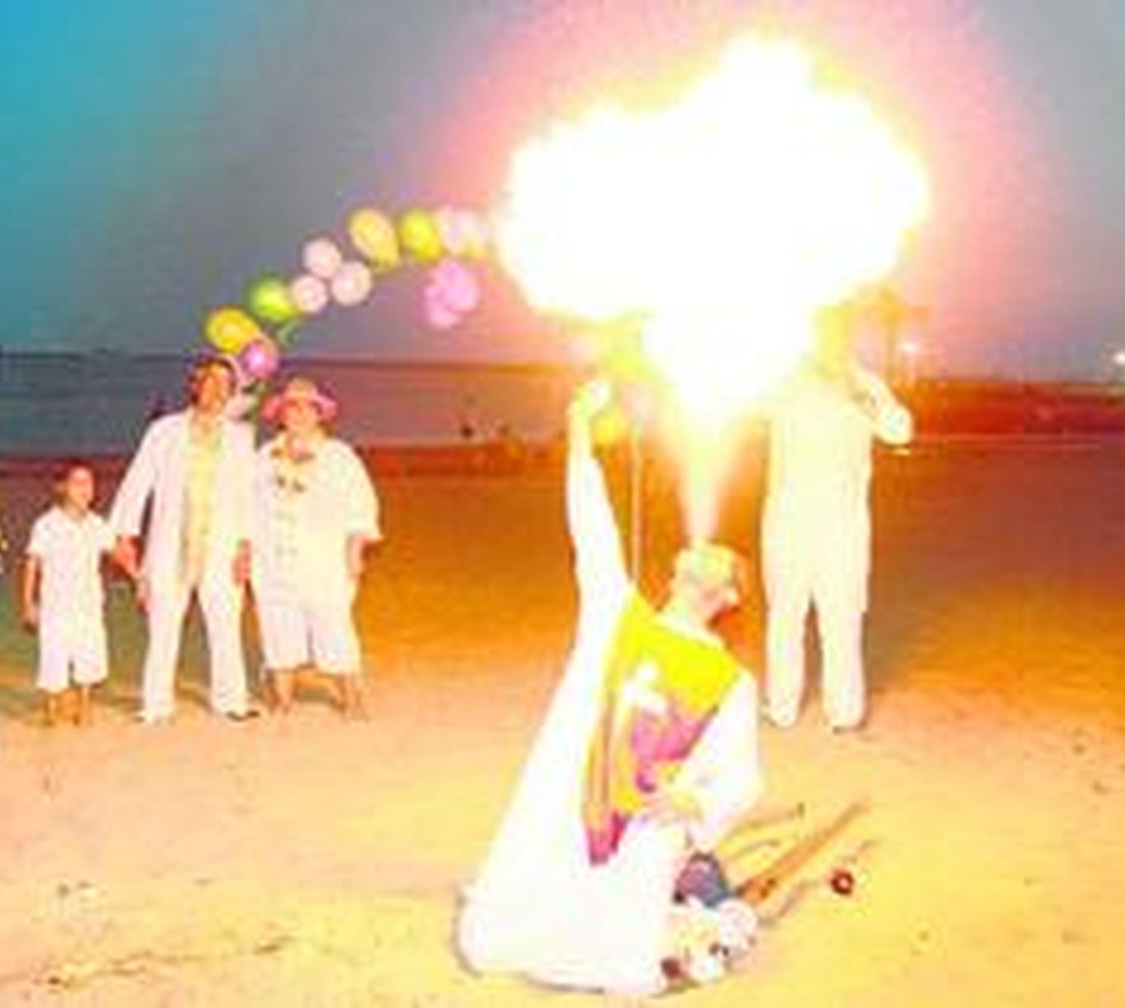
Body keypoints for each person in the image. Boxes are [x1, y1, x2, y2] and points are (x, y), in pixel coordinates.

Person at [456, 381, 762, 997]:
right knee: (493, 939)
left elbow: (744, 777)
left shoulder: (729, 681)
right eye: (701, 548)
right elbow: (592, 530)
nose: (702, 552)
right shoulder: (618, 615)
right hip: (574, 797)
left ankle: (696, 905)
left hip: (643, 827)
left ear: (727, 596)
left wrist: (693, 805)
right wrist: (577, 434)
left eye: (720, 559)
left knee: (620, 969)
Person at [762, 326, 913, 731]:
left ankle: (844, 712)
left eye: (834, 335)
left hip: (842, 526)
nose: (826, 344)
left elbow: (900, 431)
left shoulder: (864, 383)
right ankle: (781, 707)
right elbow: (735, 401)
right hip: (787, 522)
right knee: (784, 617)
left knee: (842, 618)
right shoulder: (783, 380)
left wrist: (854, 391)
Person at [109, 356, 258, 724]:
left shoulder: (241, 438)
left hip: (220, 545)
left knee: (225, 625)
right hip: (170, 545)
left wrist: (246, 546)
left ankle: (231, 702)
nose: (217, 389)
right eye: (211, 381)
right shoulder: (164, 430)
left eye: (226, 384)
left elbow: (249, 496)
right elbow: (138, 480)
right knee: (163, 626)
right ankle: (156, 705)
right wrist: (125, 533)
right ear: (196, 385)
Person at [252, 377, 380, 717]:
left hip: (324, 560)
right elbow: (246, 505)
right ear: (281, 414)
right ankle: (282, 701)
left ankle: (352, 700)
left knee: (334, 627)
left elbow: (362, 505)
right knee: (277, 629)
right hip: (272, 558)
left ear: (318, 414)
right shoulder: (265, 455)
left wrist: (354, 550)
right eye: (291, 406)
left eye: (307, 407)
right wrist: (245, 548)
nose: (298, 413)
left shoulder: (339, 456)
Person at [22, 459, 116, 726]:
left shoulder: (98, 524)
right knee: (54, 656)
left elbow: (116, 553)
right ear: (62, 488)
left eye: (89, 483)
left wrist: (140, 577)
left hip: (88, 604)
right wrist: (28, 603)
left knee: (89, 654)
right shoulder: (47, 524)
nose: (85, 489)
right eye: (77, 483)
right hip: (55, 606)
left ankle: (84, 704)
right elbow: (32, 564)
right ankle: (52, 706)